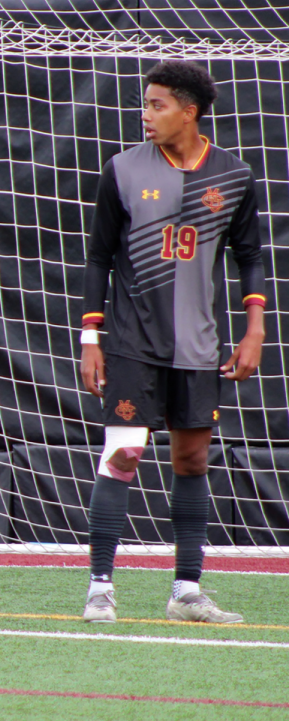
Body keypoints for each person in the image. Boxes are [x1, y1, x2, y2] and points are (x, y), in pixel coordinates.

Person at [80, 61, 265, 624]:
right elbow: (98, 256)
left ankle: (187, 590)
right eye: (145, 103)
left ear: (190, 111)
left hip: (199, 346)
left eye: (157, 104)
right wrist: (92, 336)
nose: (145, 114)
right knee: (124, 453)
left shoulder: (233, 176)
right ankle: (100, 588)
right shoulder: (121, 169)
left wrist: (254, 329)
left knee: (190, 459)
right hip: (134, 340)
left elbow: (250, 257)